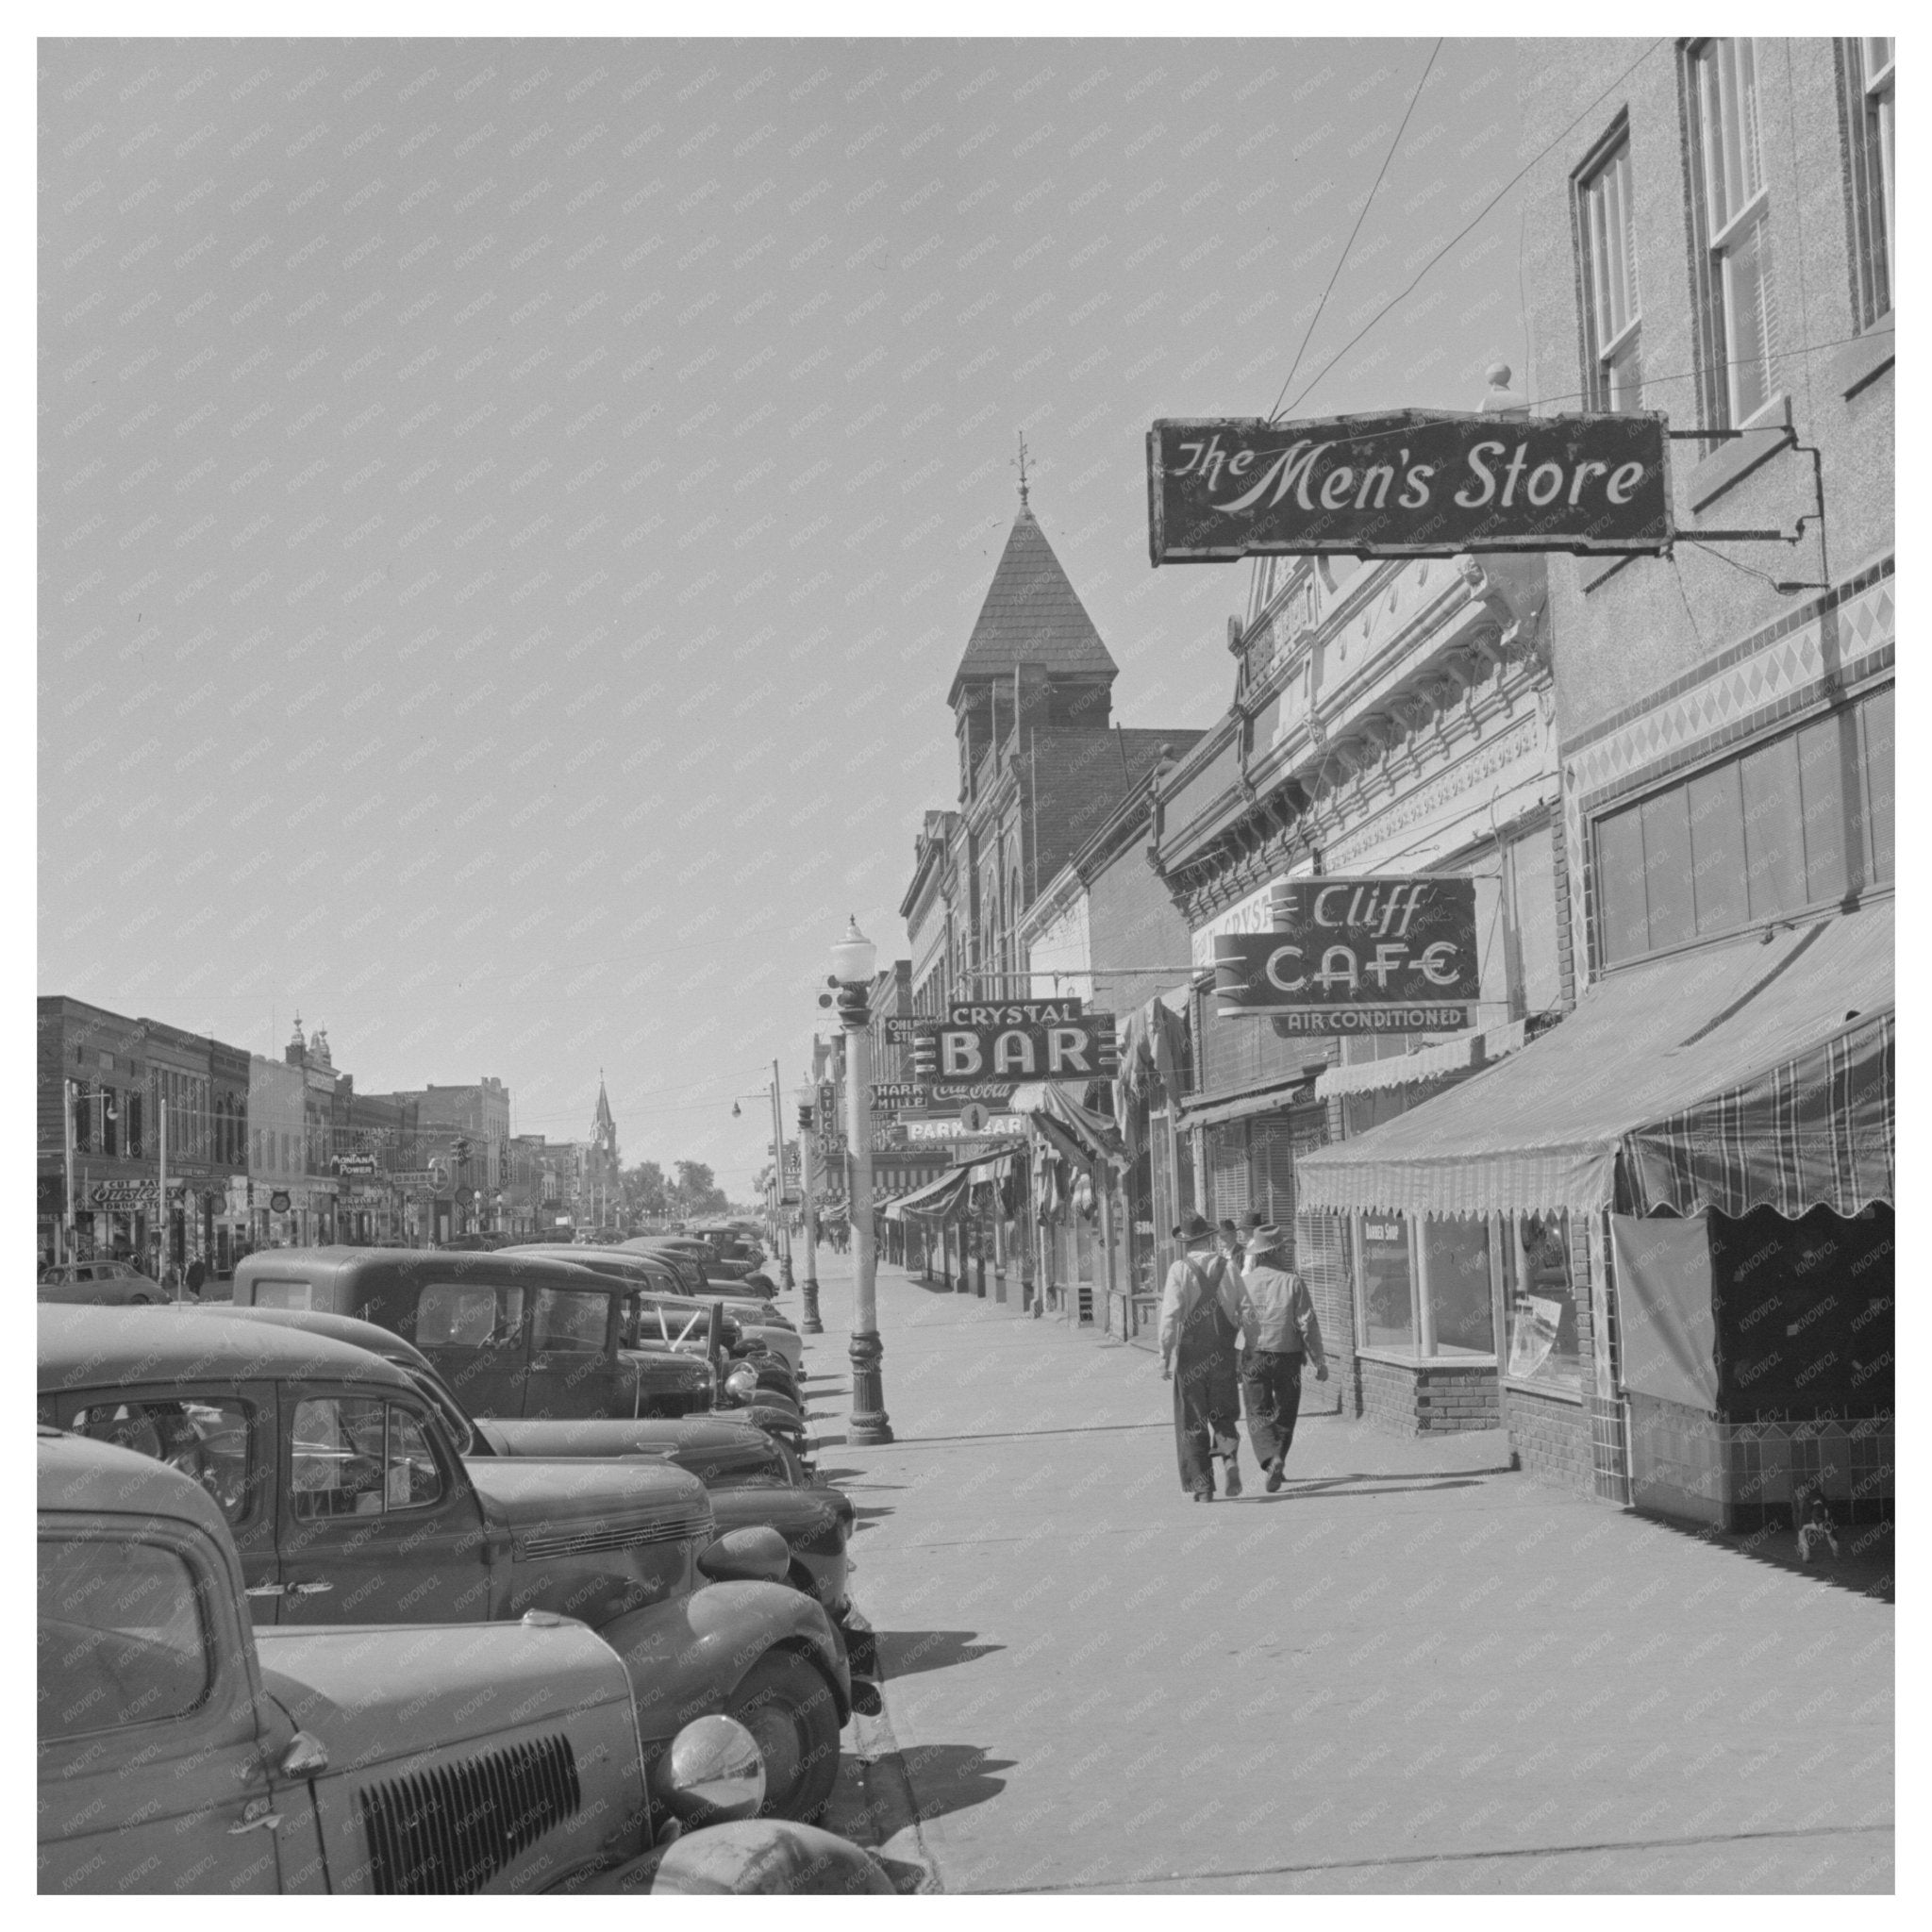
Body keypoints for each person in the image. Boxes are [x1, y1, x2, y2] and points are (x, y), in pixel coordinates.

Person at [1158, 1214, 1253, 1502]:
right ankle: (1229, 1458)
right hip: (1223, 1355)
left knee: (1193, 1420)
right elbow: (1247, 1311)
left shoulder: (1180, 1270)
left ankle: (1203, 1487)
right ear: (1209, 1238)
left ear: (1185, 1242)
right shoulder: (1229, 1268)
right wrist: (1249, 1346)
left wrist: (1165, 1355)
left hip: (1191, 1356)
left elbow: (1171, 1316)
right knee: (1223, 1413)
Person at [1237, 1222, 1328, 1492]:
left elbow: (1233, 1321)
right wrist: (1319, 1361)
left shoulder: (1243, 1284)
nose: (1286, 1254)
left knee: (1257, 1411)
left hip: (1254, 1355)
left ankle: (1270, 1458)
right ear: (1273, 1252)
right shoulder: (1293, 1282)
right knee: (1286, 1411)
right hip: (1287, 1356)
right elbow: (1307, 1324)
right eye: (1283, 1250)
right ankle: (1279, 1458)